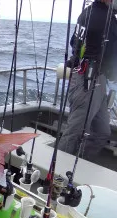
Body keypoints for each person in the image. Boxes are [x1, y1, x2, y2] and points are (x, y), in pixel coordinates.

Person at [58, 0, 117, 161]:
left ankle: (80, 162)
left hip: (98, 79)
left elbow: (74, 42)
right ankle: (58, 176)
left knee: (102, 132)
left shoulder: (89, 13)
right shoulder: (104, 17)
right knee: (74, 132)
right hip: (86, 80)